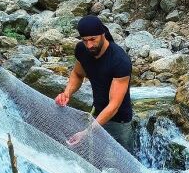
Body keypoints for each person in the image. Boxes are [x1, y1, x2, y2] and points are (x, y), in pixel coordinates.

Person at [55, 15, 134, 153]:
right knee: (95, 162)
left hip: (119, 122)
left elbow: (114, 105)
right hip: (97, 113)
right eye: (85, 40)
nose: (89, 45)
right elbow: (78, 74)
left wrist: (86, 133)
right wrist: (67, 93)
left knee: (124, 166)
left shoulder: (119, 60)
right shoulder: (82, 49)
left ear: (102, 34)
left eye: (93, 39)